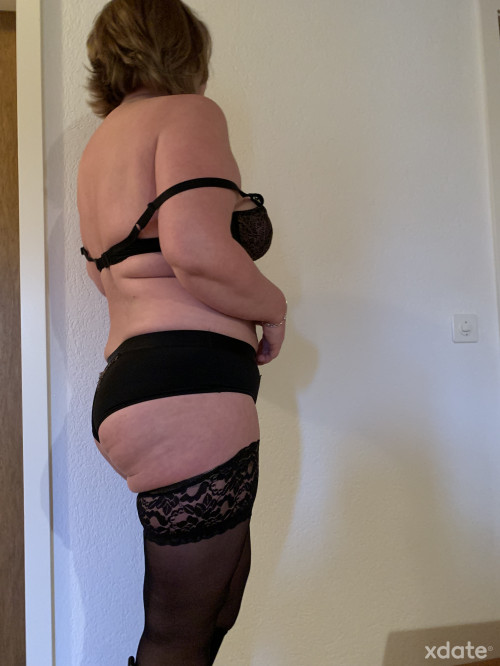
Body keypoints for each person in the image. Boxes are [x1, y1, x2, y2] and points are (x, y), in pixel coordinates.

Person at [78, 1, 287, 664]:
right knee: (181, 635)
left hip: (138, 387)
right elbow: (194, 249)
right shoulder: (189, 114)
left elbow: (107, 277)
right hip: (188, 387)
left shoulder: (100, 146)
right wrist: (274, 306)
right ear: (184, 47)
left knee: (211, 613)